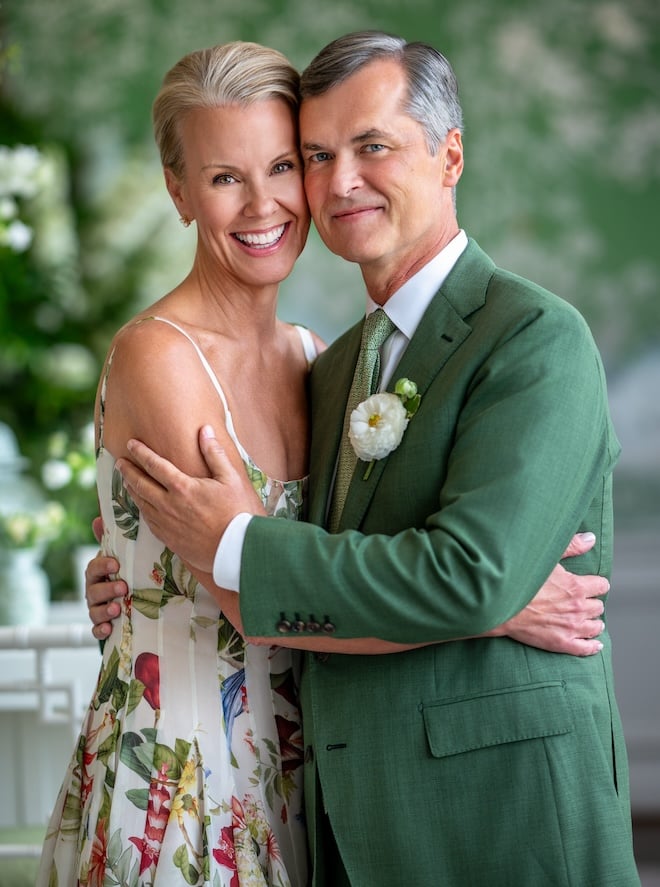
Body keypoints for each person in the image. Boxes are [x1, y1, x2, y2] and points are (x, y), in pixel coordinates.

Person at [83, 31, 639, 887]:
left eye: (370, 147)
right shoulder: (334, 366)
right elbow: (423, 580)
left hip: (501, 815)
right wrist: (132, 571)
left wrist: (482, 593)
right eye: (317, 155)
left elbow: (467, 571)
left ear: (450, 156)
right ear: (179, 189)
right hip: (276, 791)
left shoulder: (533, 337)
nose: (338, 181)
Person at [38, 41, 321, 887]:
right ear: (178, 190)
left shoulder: (316, 355)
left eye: (281, 165)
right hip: (183, 780)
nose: (264, 204)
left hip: (304, 773)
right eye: (226, 176)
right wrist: (487, 610)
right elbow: (258, 596)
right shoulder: (158, 356)